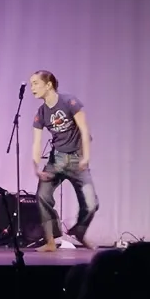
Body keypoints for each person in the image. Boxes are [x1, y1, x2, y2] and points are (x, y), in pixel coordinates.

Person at [29, 69, 96, 250]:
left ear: (48, 84)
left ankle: (79, 231)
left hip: (76, 159)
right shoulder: (41, 112)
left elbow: (84, 130)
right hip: (56, 160)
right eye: (31, 84)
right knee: (42, 196)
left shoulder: (69, 102)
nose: (32, 87)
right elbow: (36, 143)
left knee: (91, 204)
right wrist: (36, 167)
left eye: (35, 83)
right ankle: (51, 240)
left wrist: (86, 157)